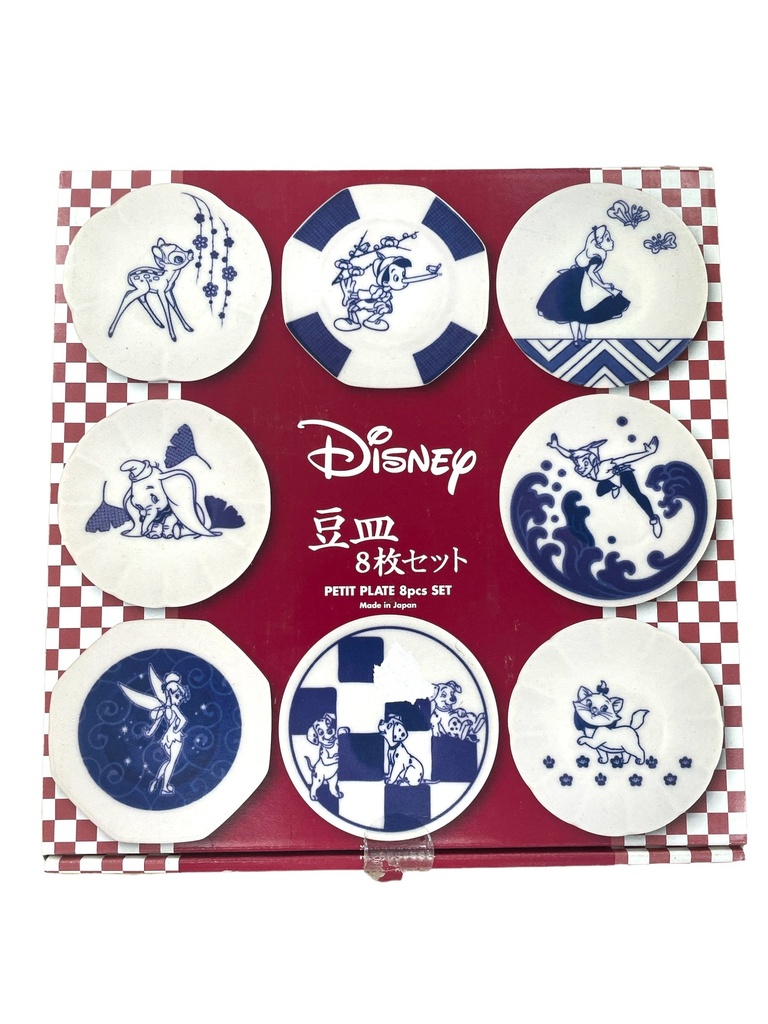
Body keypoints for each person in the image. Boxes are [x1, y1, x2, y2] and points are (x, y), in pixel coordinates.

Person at [547, 433, 662, 538]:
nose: (577, 467)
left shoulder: (605, 466)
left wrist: (648, 452)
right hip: (610, 477)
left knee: (637, 495)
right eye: (577, 464)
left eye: (579, 464)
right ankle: (615, 485)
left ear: (588, 462)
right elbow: (568, 454)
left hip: (623, 473)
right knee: (599, 492)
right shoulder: (589, 470)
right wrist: (556, 446)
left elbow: (625, 459)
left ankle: (654, 520)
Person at [536, 225, 630, 344]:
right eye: (607, 239)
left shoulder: (595, 256)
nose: (612, 241)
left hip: (576, 281)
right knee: (580, 313)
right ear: (598, 244)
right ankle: (579, 338)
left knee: (579, 315)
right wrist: (603, 285)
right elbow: (591, 273)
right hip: (580, 285)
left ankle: (578, 339)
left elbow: (591, 272)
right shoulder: (597, 258)